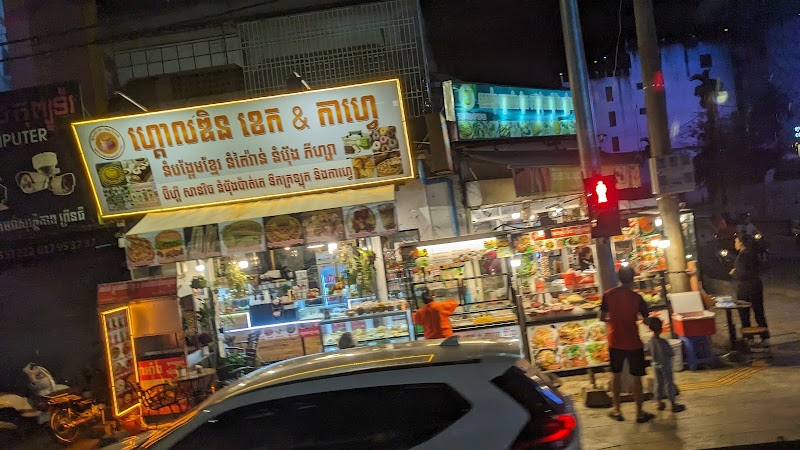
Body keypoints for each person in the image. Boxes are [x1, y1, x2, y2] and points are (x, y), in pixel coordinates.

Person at [600, 267, 654, 423]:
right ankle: (639, 413)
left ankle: (617, 410)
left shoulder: (608, 295)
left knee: (615, 376)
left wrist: (616, 320)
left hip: (615, 340)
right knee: (637, 378)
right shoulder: (637, 298)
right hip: (633, 342)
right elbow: (646, 320)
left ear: (619, 278)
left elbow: (603, 317)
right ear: (633, 279)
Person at [730, 234, 770, 339]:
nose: (735, 244)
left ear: (741, 243)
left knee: (744, 314)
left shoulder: (742, 256)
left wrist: (734, 272)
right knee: (759, 312)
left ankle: (748, 338)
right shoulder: (753, 254)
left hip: (746, 288)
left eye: (736, 242)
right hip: (756, 285)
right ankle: (764, 337)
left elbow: (742, 274)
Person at [646, 317, 686, 413]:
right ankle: (672, 404)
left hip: (655, 365)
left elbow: (648, 352)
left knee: (658, 383)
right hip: (665, 365)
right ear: (661, 328)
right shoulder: (663, 342)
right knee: (669, 383)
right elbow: (671, 352)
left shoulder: (650, 341)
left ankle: (659, 402)